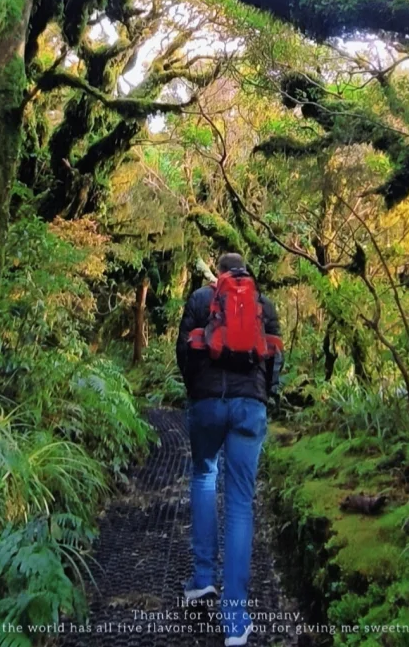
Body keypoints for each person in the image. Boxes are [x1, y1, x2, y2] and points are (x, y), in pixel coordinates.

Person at [176, 251, 283, 647]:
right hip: (249, 407)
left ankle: (203, 579)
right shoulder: (263, 304)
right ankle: (235, 619)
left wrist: (196, 392)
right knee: (239, 503)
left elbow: (183, 351)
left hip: (207, 404)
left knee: (205, 476)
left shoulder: (201, 299)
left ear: (218, 273)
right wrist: (264, 396)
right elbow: (275, 360)